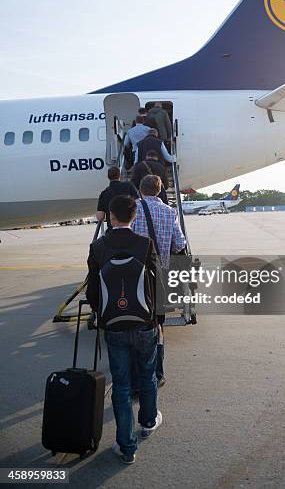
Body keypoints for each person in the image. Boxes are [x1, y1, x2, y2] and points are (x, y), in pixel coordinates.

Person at [86, 195, 165, 465]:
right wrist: (157, 319)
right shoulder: (145, 244)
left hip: (114, 327)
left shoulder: (97, 247)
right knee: (147, 375)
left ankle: (126, 446)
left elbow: (93, 291)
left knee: (120, 385)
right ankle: (148, 421)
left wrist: (102, 316)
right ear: (134, 217)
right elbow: (157, 286)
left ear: (110, 216)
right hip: (144, 324)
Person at [132, 175, 186, 386]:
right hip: (160, 278)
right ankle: (157, 373)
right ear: (160, 190)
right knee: (157, 325)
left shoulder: (133, 209)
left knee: (136, 324)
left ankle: (138, 375)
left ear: (140, 190)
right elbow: (179, 245)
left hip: (136, 276)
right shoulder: (170, 212)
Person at [96, 166, 139, 231]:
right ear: (119, 175)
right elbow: (139, 203)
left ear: (108, 177)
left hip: (112, 229)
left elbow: (100, 216)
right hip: (129, 228)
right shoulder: (129, 186)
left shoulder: (104, 193)